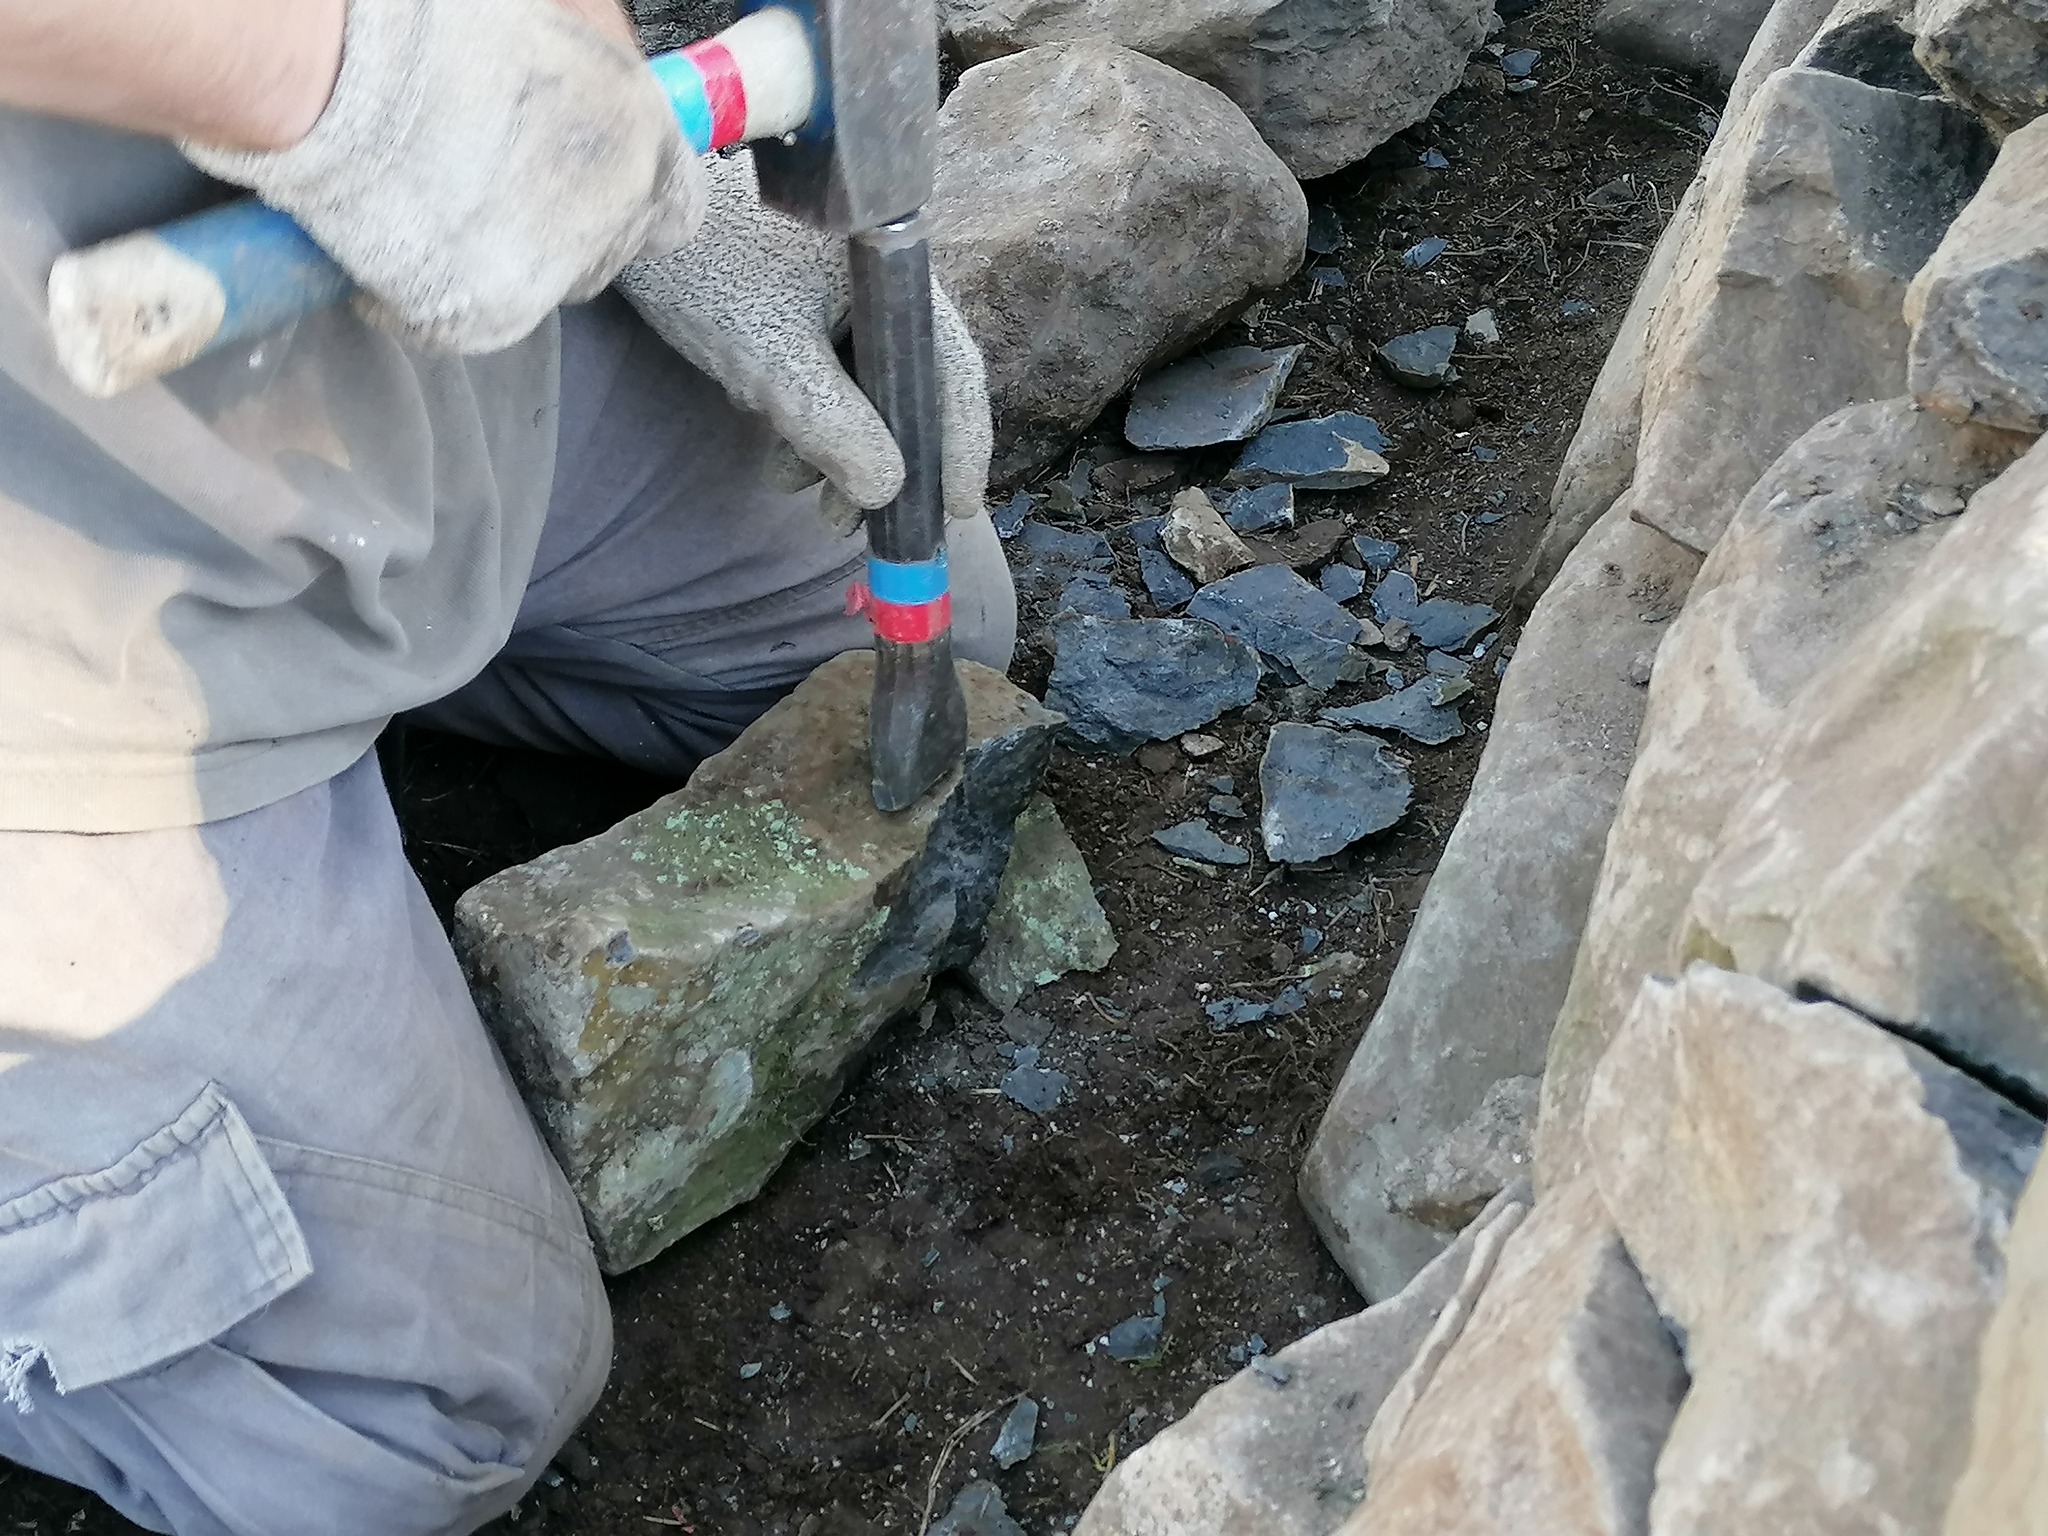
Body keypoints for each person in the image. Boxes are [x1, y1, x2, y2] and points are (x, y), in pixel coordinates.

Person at [0, 1, 1016, 1532]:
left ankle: (346, 713)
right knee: (429, 1413)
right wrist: (330, 68)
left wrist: (648, 174)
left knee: (916, 618)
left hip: (321, 331)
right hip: (47, 593)